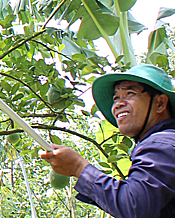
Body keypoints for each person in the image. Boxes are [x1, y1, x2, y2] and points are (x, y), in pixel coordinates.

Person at [40, 64, 175, 218]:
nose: (118, 104)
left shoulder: (161, 143)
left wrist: (78, 167)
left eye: (130, 93)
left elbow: (134, 206)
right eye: (116, 98)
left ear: (160, 103)